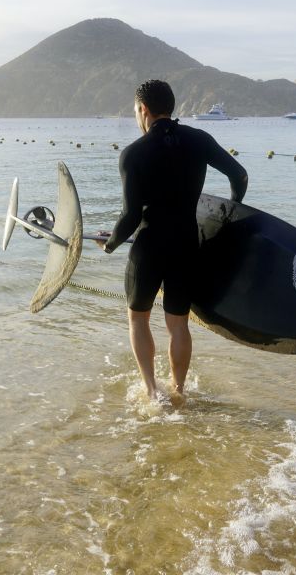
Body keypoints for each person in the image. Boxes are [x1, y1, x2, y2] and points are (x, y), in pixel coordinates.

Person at [97, 80, 248, 402]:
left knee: (138, 318)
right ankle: (178, 391)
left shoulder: (133, 153)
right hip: (186, 243)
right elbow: (240, 175)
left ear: (143, 109)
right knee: (178, 324)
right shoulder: (199, 140)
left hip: (149, 245)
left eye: (136, 111)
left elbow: (131, 216)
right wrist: (231, 214)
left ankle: (152, 391)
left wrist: (110, 244)